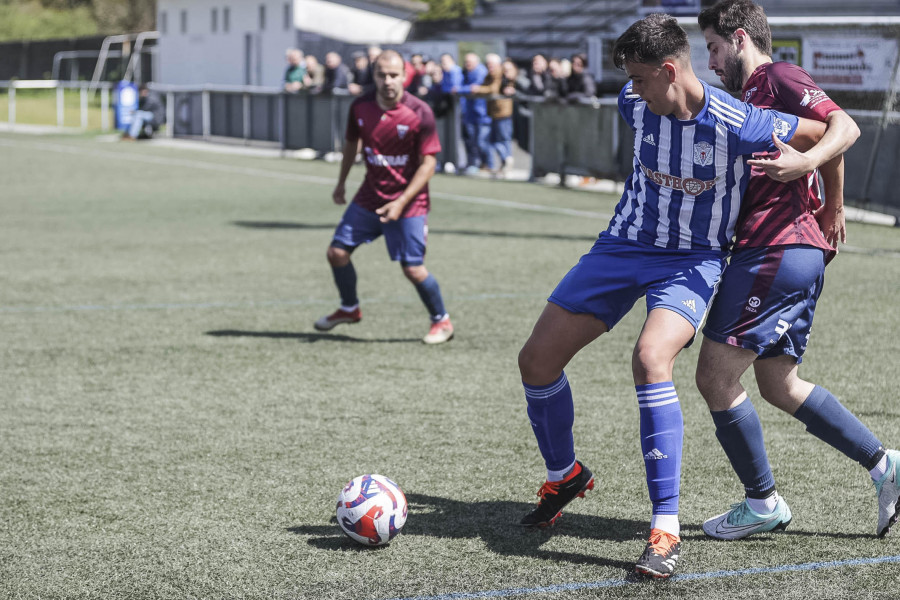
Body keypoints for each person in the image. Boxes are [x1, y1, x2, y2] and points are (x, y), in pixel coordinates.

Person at [516, 13, 829, 579]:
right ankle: (565, 476)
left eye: (638, 79)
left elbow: (819, 134)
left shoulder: (739, 119)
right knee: (535, 361)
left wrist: (813, 180)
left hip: (694, 261)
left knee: (651, 358)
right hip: (622, 247)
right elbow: (636, 105)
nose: (630, 92)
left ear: (668, 70)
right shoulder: (636, 105)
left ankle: (665, 529)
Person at [695, 0, 899, 541]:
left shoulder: (777, 75)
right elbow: (820, 139)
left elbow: (842, 126)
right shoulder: (748, 97)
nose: (711, 62)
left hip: (775, 248)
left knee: (714, 376)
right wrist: (832, 202)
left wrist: (815, 178)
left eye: (714, 48)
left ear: (739, 38)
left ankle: (762, 502)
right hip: (791, 249)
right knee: (779, 383)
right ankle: (886, 466)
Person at [316, 49, 454, 345]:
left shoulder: (420, 112)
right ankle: (350, 308)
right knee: (336, 253)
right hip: (369, 196)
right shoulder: (360, 106)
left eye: (394, 75)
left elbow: (429, 164)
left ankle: (441, 321)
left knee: (413, 269)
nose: (388, 81)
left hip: (409, 203)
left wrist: (401, 202)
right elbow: (351, 144)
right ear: (374, 76)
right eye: (382, 75)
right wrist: (341, 183)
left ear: (405, 76)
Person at [471, 53, 513, 176]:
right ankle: (503, 163)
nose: (490, 67)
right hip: (493, 112)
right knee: (494, 140)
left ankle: (507, 162)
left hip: (502, 112)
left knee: (503, 139)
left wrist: (478, 89)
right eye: (488, 64)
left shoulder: (499, 74)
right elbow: (484, 88)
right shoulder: (489, 75)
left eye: (491, 64)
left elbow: (493, 89)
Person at [455, 53, 490, 175]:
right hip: (469, 112)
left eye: (469, 62)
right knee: (470, 141)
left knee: (481, 141)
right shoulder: (466, 72)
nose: (467, 64)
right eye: (466, 62)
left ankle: (487, 164)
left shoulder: (480, 71)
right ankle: (473, 163)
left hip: (482, 113)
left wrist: (459, 89)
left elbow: (473, 88)